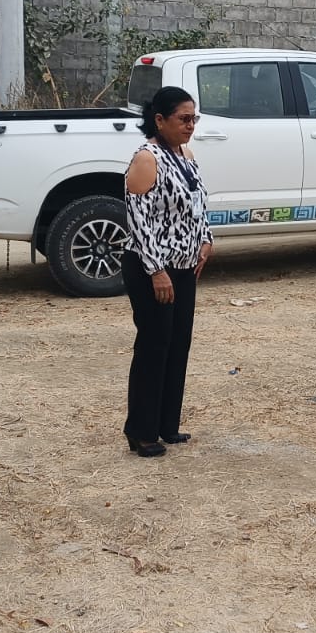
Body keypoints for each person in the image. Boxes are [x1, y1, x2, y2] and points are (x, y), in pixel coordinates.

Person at [122, 86, 214, 457]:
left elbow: (197, 203)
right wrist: (156, 270)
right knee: (154, 345)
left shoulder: (185, 155)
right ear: (160, 120)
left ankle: (166, 425)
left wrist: (205, 239)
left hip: (184, 266)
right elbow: (138, 219)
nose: (191, 125)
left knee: (178, 343)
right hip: (152, 268)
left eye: (194, 118)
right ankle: (141, 432)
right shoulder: (147, 159)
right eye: (184, 119)